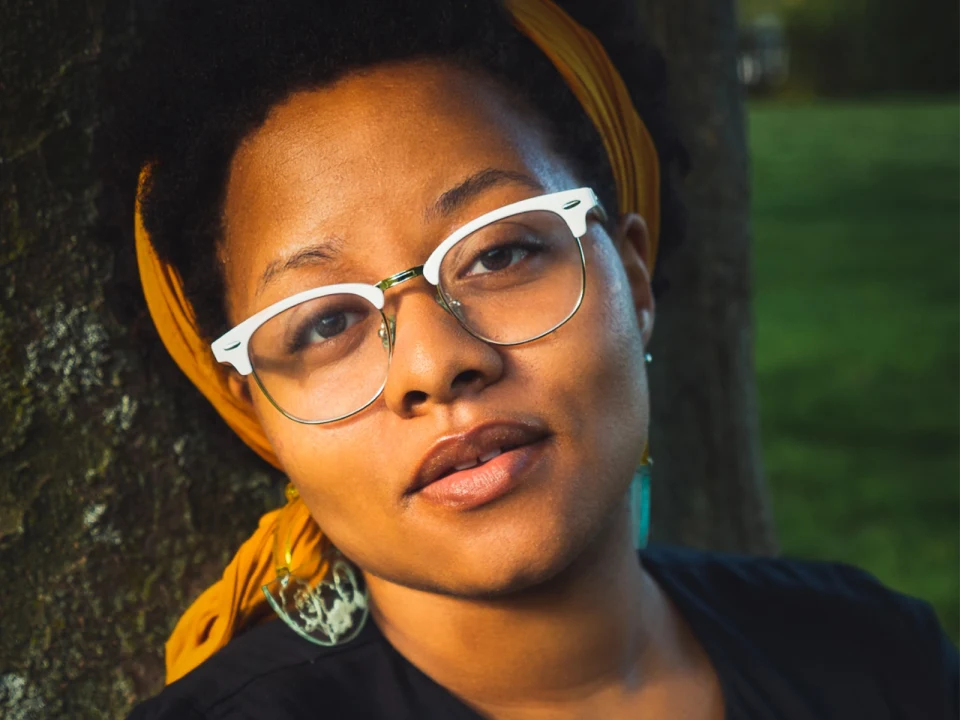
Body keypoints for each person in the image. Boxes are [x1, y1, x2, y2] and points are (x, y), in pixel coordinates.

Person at [119, 0, 958, 717]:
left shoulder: (877, 658)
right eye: (325, 321)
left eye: (498, 255)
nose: (435, 364)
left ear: (632, 275)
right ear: (253, 405)